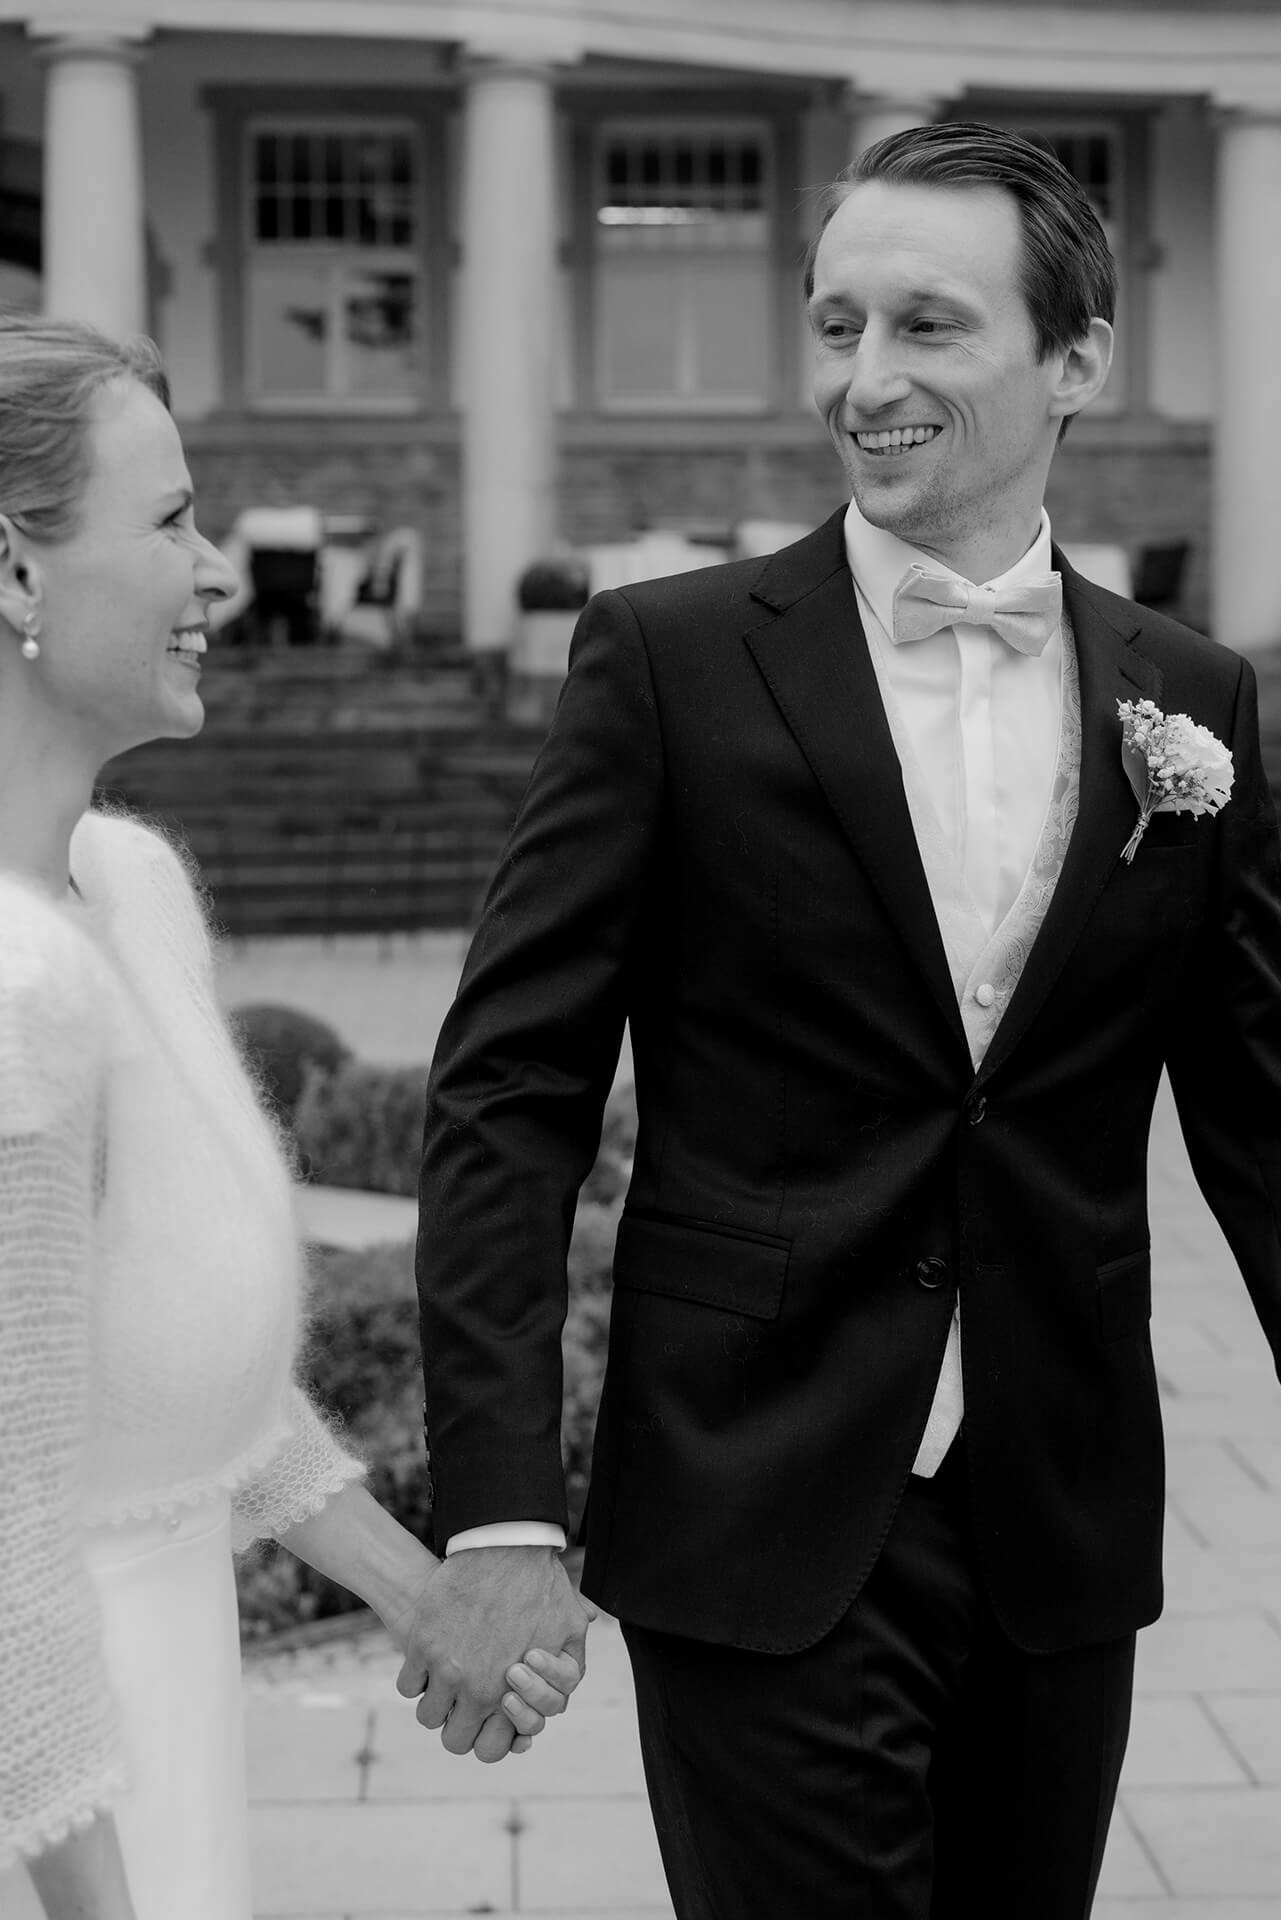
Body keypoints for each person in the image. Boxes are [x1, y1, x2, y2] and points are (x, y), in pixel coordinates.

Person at [410, 120, 1281, 1918]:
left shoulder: (1190, 699)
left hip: (1058, 1519)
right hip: (752, 1505)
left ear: (1075, 360)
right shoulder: (663, 659)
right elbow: (511, 1092)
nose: (862, 380)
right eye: (835, 325)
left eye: (925, 326)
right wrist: (499, 1511)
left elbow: (1260, 1109)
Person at [0, 312, 585, 1920]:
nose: (215, 576)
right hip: (51, 1783)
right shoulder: (11, 986)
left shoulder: (126, 889)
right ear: (16, 571)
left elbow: (191, 1375)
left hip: (160, 1684)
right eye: (172, 520)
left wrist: (420, 1591)